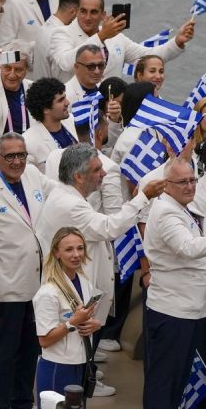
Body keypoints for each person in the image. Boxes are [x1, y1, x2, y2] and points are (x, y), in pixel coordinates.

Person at [37, 144, 166, 396]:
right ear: (78, 176)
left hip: (78, 286)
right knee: (70, 349)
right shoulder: (69, 204)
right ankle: (79, 386)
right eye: (97, 170)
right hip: (69, 292)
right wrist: (143, 198)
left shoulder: (70, 196)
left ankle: (84, 380)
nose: (104, 175)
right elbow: (109, 226)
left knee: (80, 346)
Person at [0, 132, 57, 409]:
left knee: (31, 349)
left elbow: (59, 193)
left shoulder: (32, 175)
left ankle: (22, 401)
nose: (17, 161)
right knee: (5, 351)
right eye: (10, 156)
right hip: (7, 288)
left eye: (21, 155)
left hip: (38, 284)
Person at [143, 158, 206, 409]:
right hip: (174, 313)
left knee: (185, 380)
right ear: (166, 185)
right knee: (165, 382)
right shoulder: (166, 211)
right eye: (182, 182)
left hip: (190, 309)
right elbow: (187, 247)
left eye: (193, 180)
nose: (190, 186)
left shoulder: (182, 207)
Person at [50, 0, 195, 82]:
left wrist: (177, 41)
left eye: (93, 12)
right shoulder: (62, 34)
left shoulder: (116, 37)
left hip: (111, 109)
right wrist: (101, 37)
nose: (87, 17)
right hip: (76, 107)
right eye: (83, 11)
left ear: (103, 15)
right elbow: (65, 63)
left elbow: (148, 57)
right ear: (77, 13)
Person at [33, 227, 101, 399]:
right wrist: (72, 323)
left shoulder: (85, 283)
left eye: (80, 248)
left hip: (81, 362)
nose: (76, 254)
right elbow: (44, 340)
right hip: (58, 367)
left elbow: (86, 318)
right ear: (56, 253)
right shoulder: (48, 292)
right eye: (69, 249)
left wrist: (95, 324)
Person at [65, 45, 122, 152]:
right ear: (76, 67)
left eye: (101, 65)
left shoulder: (105, 90)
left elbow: (111, 142)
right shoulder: (66, 96)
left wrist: (115, 120)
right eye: (91, 66)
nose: (97, 71)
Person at [23, 77, 77, 173]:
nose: (67, 103)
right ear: (45, 109)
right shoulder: (28, 142)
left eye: (65, 97)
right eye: (61, 100)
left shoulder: (73, 121)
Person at [32, 0, 83, 81]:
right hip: (54, 91)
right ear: (73, 12)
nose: (84, 17)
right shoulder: (58, 35)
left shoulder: (45, 28)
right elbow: (63, 74)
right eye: (82, 11)